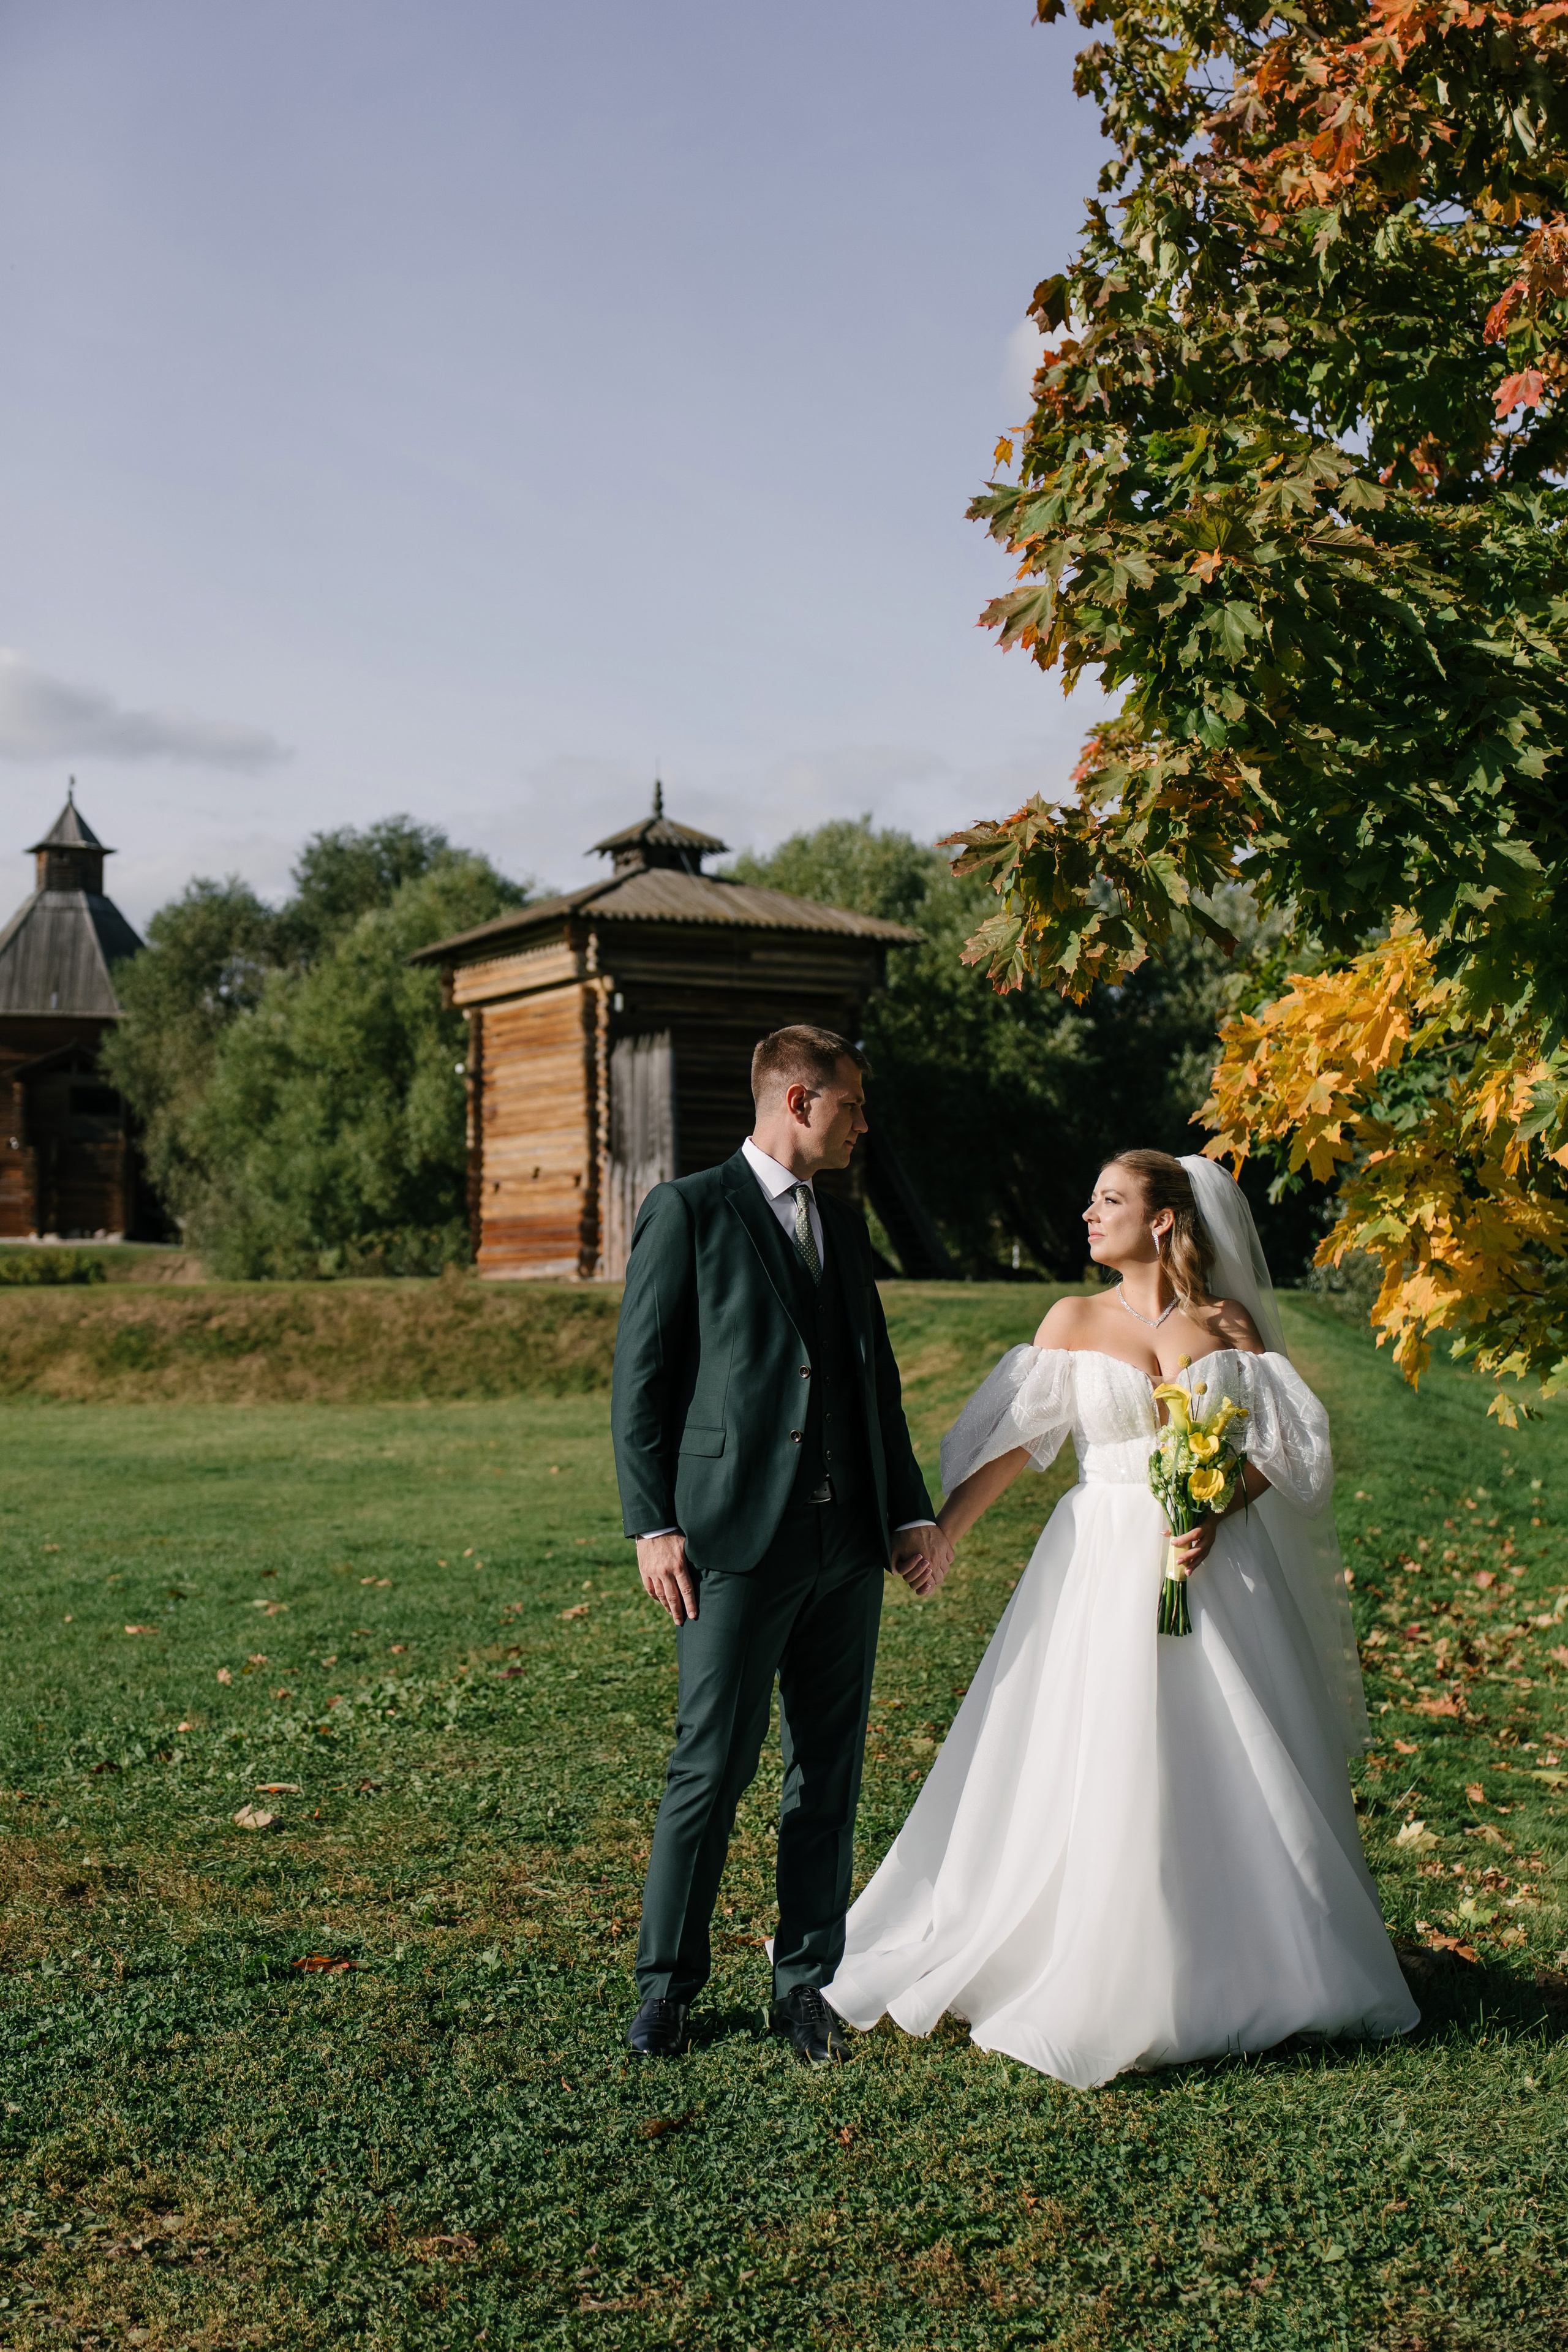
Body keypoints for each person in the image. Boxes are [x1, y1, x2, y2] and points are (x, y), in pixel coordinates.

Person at [823, 1149, 1419, 2088]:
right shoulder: (1074, 1318)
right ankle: (1092, 1950)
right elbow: (1019, 1443)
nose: (1088, 1212)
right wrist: (943, 1535)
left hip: (1211, 1569)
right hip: (1099, 1558)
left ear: (1168, 1220)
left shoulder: (1227, 1323)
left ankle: (1261, 1957)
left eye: (1111, 1199)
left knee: (1224, 1745)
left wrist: (1214, 1513)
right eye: (1091, 1196)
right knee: (1099, 1745)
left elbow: (1288, 1445)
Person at [612, 1023, 951, 2064]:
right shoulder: (689, 1211)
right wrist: (654, 1524)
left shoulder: (842, 1231)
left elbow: (872, 1383)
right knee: (710, 1767)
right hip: (730, 1541)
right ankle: (667, 1987)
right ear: (799, 1102)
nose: (863, 1125)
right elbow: (644, 1385)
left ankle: (807, 1983)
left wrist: (907, 1512)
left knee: (829, 1773)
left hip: (845, 1545)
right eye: (852, 1106)